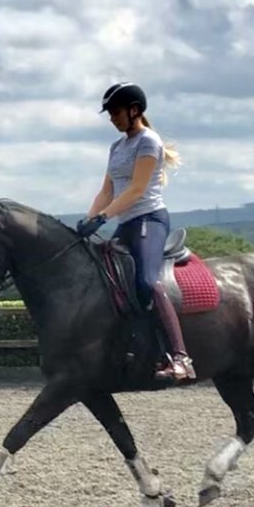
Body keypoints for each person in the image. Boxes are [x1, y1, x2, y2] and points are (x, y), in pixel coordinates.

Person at [76, 82, 195, 383]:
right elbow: (107, 190)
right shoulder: (116, 147)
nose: (112, 119)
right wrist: (88, 219)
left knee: (147, 281)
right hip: (125, 223)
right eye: (110, 114)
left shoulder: (148, 141)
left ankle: (181, 358)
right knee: (106, 283)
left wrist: (102, 218)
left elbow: (137, 189)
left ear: (134, 110)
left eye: (116, 112)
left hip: (149, 220)